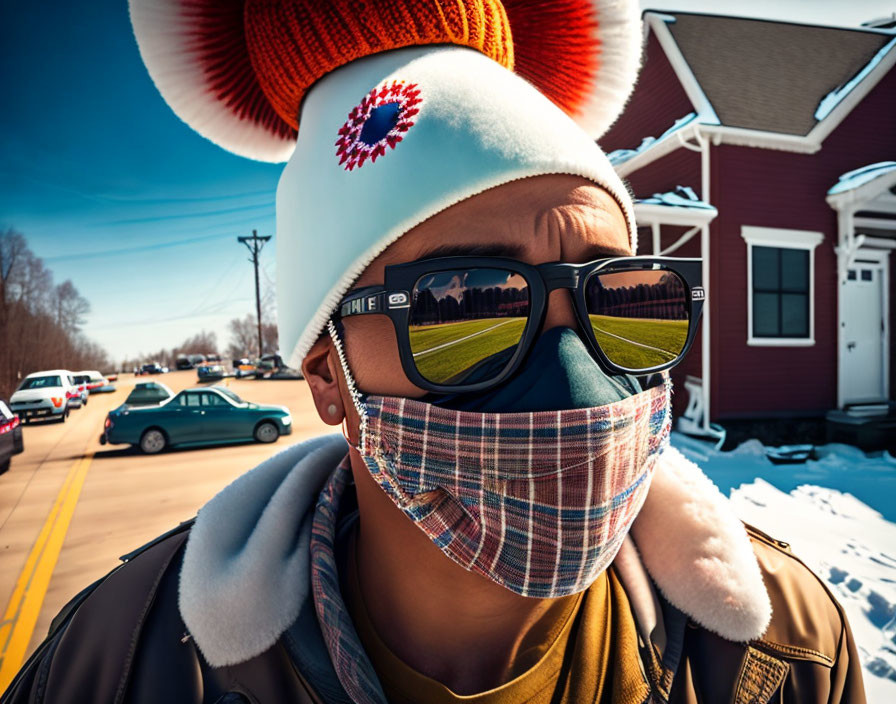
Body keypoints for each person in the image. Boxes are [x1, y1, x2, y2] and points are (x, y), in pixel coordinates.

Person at [2, 1, 865, 702]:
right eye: (469, 306)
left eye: (624, 300)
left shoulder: (790, 657)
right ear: (326, 375)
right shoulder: (122, 669)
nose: (580, 389)